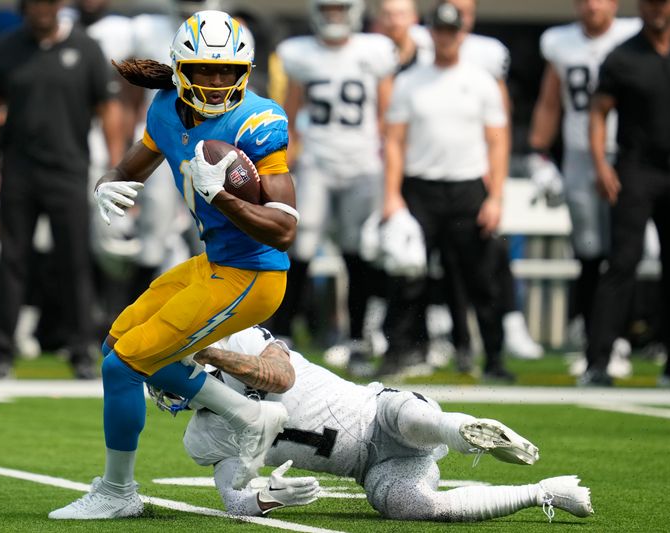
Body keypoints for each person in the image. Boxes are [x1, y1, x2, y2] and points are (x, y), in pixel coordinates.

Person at [47, 9, 301, 520]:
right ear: (182, 69)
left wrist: (226, 200)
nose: (216, 80)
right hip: (214, 263)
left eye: (227, 70)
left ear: (244, 71)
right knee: (116, 344)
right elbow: (132, 163)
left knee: (125, 366)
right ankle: (248, 415)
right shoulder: (165, 108)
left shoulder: (259, 120)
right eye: (206, 68)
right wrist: (107, 182)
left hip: (254, 276)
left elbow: (284, 229)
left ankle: (118, 492)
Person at [164, 325, 593, 523]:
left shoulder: (240, 339)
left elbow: (280, 376)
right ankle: (543, 492)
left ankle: (465, 432)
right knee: (412, 508)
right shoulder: (206, 437)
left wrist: (212, 354)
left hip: (379, 412)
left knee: (413, 418)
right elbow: (234, 501)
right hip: (372, 470)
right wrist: (270, 498)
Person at [0, 0, 125, 379]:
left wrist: (119, 169)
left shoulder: (86, 48)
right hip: (17, 170)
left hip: (69, 170)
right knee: (12, 259)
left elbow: (109, 109)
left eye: (48, 2)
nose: (41, 9)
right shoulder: (6, 49)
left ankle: (81, 349)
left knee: (74, 261)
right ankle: (2, 350)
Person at [585, 0, 670, 387]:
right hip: (636, 168)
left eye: (663, 3)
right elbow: (598, 112)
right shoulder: (622, 57)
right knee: (622, 263)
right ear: (640, 8)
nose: (657, 10)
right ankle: (598, 362)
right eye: (650, 4)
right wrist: (601, 165)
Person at [380, 4, 511, 381]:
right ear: (431, 32)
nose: (446, 37)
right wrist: (392, 196)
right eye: (440, 30)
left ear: (462, 33)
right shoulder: (409, 81)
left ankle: (495, 359)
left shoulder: (481, 80)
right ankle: (397, 354)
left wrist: (496, 197)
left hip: (468, 187)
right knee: (407, 276)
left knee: (481, 279)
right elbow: (395, 142)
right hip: (420, 188)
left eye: (452, 31)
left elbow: (498, 141)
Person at [268, 0, 396, 368]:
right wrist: (280, 166)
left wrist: (390, 171)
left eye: (341, 8)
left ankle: (357, 338)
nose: (334, 15)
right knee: (300, 244)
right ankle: (283, 334)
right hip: (317, 163)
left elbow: (388, 116)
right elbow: (287, 117)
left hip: (363, 164)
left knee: (358, 252)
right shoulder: (301, 54)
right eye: (328, 9)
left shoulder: (374, 51)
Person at [528, 0, 640, 377]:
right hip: (579, 158)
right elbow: (549, 100)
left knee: (626, 253)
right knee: (589, 254)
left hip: (628, 155)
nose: (593, 5)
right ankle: (593, 339)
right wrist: (539, 154)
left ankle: (618, 339)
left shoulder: (634, 34)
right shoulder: (560, 42)